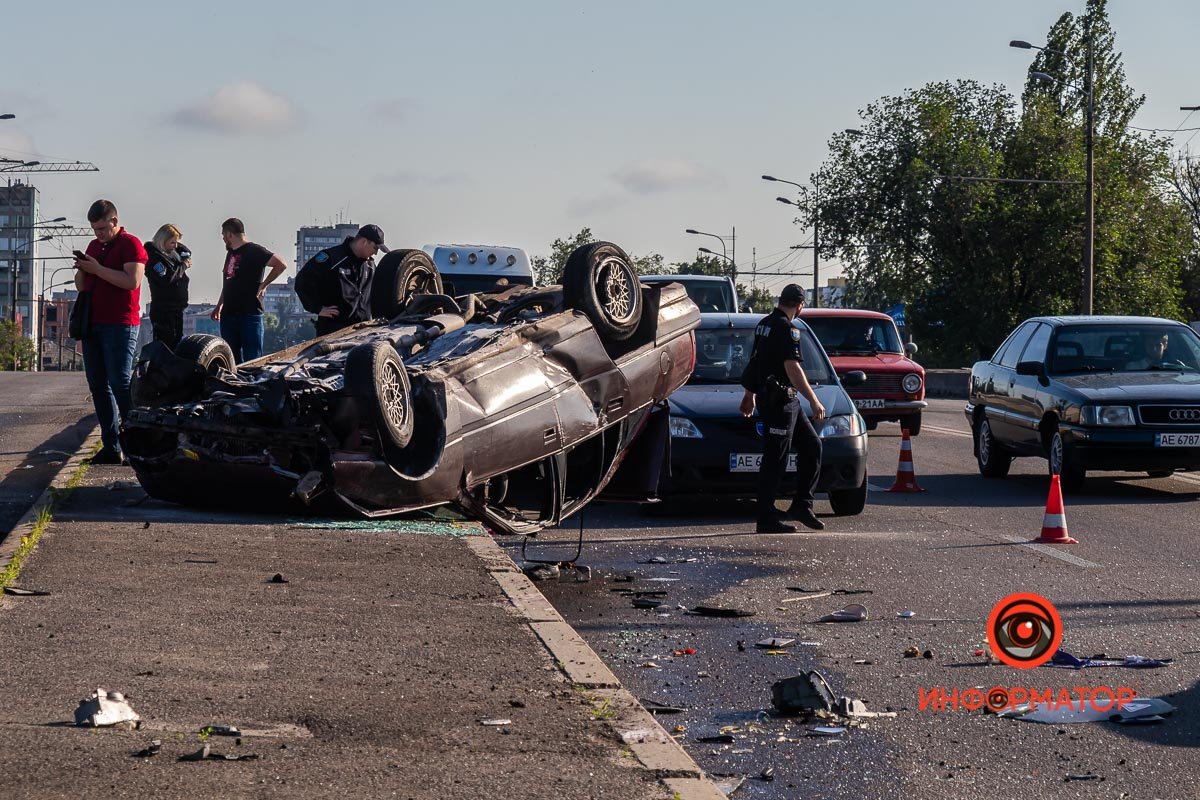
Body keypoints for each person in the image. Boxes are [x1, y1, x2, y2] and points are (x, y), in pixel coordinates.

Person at [740, 284, 826, 533]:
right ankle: (766, 518)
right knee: (775, 460)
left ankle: (802, 504)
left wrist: (749, 394)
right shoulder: (787, 329)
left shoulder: (763, 324)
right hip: (780, 403)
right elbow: (792, 368)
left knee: (812, 445)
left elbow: (756, 361)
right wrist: (813, 399)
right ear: (800, 304)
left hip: (785, 401)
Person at [73, 199, 147, 465]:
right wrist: (82, 269)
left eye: (103, 228)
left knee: (120, 382)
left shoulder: (131, 244)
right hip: (93, 323)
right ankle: (111, 445)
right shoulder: (94, 246)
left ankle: (137, 444)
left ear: (115, 221)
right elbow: (83, 287)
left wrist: (98, 269)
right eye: (95, 229)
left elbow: (132, 281)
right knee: (98, 385)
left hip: (121, 324)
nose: (99, 234)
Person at [211, 218, 288, 363]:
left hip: (249, 314)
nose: (223, 239)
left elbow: (281, 264)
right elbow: (228, 281)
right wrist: (219, 305)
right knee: (231, 360)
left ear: (229, 234)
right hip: (228, 314)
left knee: (252, 360)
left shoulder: (254, 250)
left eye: (223, 235)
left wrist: (264, 284)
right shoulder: (231, 253)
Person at [295, 224, 387, 336]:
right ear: (364, 242)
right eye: (375, 248)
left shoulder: (370, 265)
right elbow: (302, 282)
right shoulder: (332, 258)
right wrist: (318, 308)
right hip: (334, 330)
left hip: (364, 330)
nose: (376, 253)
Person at [143, 223, 191, 348]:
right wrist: (184, 266)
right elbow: (168, 278)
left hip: (176, 309)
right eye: (172, 243)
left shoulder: (169, 255)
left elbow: (186, 251)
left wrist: (177, 243)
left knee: (176, 344)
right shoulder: (154, 258)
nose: (175, 246)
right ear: (162, 241)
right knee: (165, 346)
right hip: (164, 311)